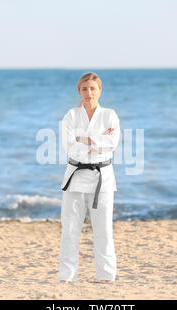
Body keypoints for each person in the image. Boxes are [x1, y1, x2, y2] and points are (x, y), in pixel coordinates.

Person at [59, 72, 121, 283]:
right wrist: (97, 143)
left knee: (103, 230)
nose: (89, 93)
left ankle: (106, 276)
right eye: (84, 89)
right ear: (79, 91)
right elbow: (70, 148)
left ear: (100, 90)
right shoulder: (71, 116)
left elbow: (111, 144)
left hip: (102, 179)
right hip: (75, 179)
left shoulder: (110, 115)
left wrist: (83, 139)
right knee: (69, 230)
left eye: (93, 88)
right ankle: (68, 276)